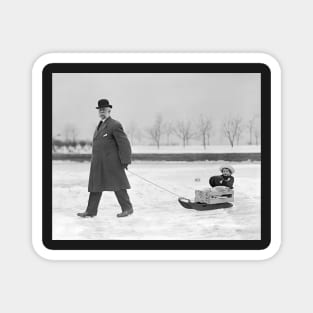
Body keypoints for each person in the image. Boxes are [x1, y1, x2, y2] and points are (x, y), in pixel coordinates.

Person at [77, 99, 133, 218]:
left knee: (118, 186)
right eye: (100, 110)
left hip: (112, 163)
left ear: (109, 110)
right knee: (95, 187)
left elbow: (124, 144)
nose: (102, 111)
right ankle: (91, 211)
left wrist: (125, 161)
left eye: (104, 109)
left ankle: (127, 208)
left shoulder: (115, 125)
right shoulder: (100, 125)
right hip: (98, 164)